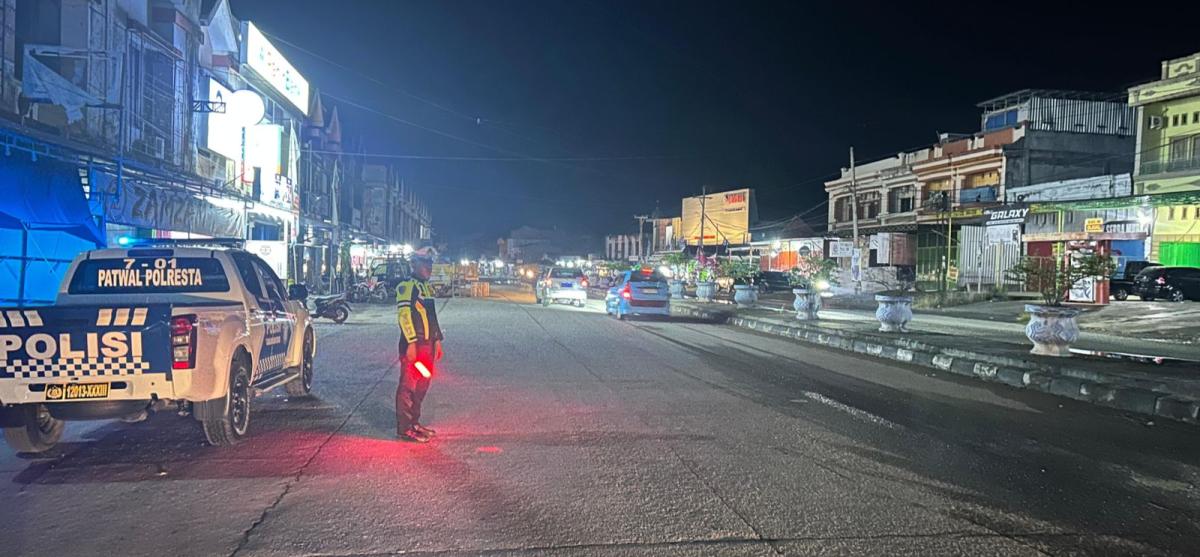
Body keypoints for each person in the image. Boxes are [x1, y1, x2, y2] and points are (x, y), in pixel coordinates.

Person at [395, 247, 445, 442]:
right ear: (414, 265)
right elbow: (404, 315)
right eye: (425, 264)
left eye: (430, 264)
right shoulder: (407, 287)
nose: (429, 268)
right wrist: (411, 344)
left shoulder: (425, 287)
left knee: (422, 385)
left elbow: (432, 317)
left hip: (428, 344)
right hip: (414, 344)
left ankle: (415, 423)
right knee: (408, 386)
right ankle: (405, 428)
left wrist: (437, 341)